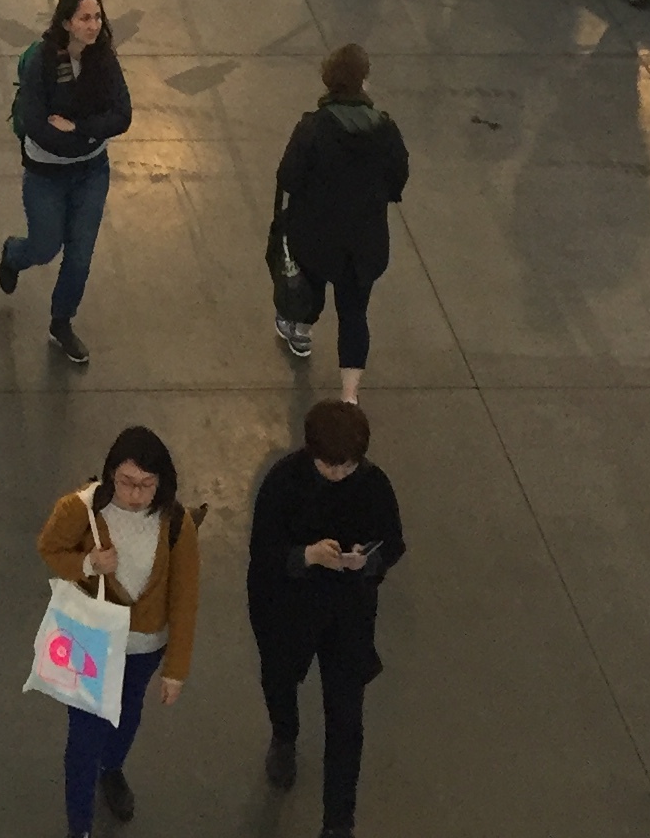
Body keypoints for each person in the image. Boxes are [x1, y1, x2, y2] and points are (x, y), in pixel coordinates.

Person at [247, 400, 406, 826]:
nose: (336, 474)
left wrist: (365, 561)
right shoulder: (283, 483)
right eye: (327, 466)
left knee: (346, 719)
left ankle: (339, 822)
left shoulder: (374, 486)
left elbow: (392, 542)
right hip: (286, 608)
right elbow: (263, 552)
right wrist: (307, 556)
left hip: (346, 613)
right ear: (310, 451)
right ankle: (285, 735)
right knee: (279, 678)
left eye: (346, 467)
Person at [36, 428, 198, 838]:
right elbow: (50, 547)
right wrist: (87, 565)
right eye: (126, 482)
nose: (135, 494)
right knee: (84, 738)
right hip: (90, 642)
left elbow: (184, 597)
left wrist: (175, 668)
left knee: (126, 714)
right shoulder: (81, 509)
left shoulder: (175, 522)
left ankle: (112, 768)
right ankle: (80, 828)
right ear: (110, 476)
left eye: (147, 485)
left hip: (145, 648)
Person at [0, 0, 130, 368]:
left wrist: (80, 129)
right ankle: (13, 254)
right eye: (85, 18)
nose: (93, 25)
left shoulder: (104, 61)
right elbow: (37, 125)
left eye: (98, 18)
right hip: (46, 174)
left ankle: (61, 322)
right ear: (66, 22)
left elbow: (122, 115)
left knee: (81, 255)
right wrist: (85, 135)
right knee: (44, 246)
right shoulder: (41, 62)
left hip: (91, 171)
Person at [268, 45, 410, 391]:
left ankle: (301, 331)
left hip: (315, 237)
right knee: (354, 314)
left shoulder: (313, 128)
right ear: (363, 81)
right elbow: (398, 179)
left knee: (311, 286)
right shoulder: (386, 129)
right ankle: (349, 395)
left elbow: (288, 177)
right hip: (365, 243)